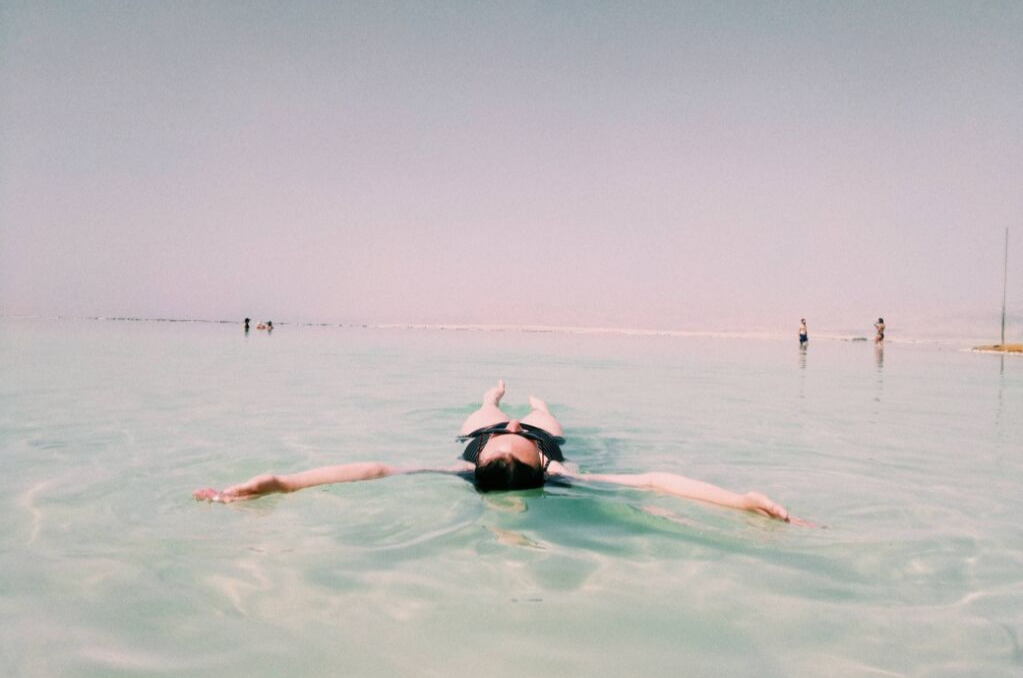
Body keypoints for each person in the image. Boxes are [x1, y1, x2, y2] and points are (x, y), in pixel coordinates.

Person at [193, 380, 805, 524]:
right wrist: (740, 501)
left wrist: (286, 481)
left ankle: (492, 395)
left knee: (481, 410)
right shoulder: (554, 463)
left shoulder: (472, 461)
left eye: (503, 440)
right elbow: (653, 481)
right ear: (540, 463)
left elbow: (373, 470)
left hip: (479, 434)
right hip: (543, 436)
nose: (509, 433)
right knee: (543, 413)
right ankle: (518, 397)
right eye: (508, 438)